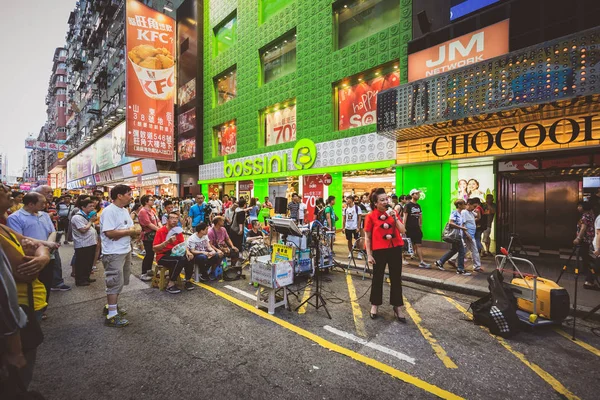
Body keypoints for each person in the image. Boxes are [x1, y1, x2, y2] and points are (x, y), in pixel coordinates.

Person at [7, 192, 70, 309]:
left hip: (48, 255)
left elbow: (52, 231)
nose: (45, 205)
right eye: (42, 203)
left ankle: (44, 307)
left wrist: (49, 245)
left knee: (47, 281)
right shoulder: (15, 218)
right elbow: (20, 238)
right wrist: (46, 244)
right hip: (31, 258)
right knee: (32, 285)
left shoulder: (44, 215)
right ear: (31, 204)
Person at [100, 184, 141, 327]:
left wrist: (131, 232)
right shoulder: (109, 211)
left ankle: (111, 307)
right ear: (120, 196)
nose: (131, 197)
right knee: (114, 282)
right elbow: (109, 233)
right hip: (113, 253)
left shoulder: (124, 210)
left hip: (124, 250)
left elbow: (129, 228)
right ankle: (111, 316)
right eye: (129, 194)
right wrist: (129, 232)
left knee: (120, 282)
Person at [364, 188, 406, 322]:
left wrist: (395, 217)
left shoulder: (393, 213)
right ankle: (375, 305)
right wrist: (369, 255)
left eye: (386, 199)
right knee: (377, 278)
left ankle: (397, 306)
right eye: (382, 200)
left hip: (395, 249)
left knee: (396, 278)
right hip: (379, 250)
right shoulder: (370, 216)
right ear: (375, 203)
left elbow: (403, 230)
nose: (385, 202)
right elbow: (368, 237)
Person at [33, 185, 70, 292]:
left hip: (53, 235)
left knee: (55, 260)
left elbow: (53, 219)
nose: (50, 194)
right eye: (47, 192)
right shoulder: (38, 207)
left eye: (51, 192)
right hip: (41, 238)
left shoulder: (52, 204)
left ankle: (55, 282)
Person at [153, 212, 194, 293]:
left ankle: (187, 280)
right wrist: (167, 242)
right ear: (167, 220)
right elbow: (154, 248)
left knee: (190, 257)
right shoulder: (160, 231)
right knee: (179, 260)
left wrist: (188, 252)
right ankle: (171, 284)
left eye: (176, 218)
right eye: (172, 218)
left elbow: (182, 244)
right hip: (162, 256)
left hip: (175, 253)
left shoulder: (178, 231)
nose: (174, 220)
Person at [435, 199, 471, 276]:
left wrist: (466, 234)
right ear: (459, 205)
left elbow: (463, 226)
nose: (465, 205)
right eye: (464, 204)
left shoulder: (462, 214)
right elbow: (450, 223)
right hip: (455, 236)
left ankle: (440, 262)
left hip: (459, 236)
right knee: (462, 251)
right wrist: (461, 228)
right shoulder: (454, 212)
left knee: (454, 250)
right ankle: (460, 269)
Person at [70, 198, 99, 286]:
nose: (92, 208)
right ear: (83, 207)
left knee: (88, 262)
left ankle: (86, 278)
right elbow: (83, 229)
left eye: (93, 206)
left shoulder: (87, 216)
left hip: (90, 243)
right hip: (83, 244)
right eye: (90, 206)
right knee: (82, 263)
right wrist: (91, 221)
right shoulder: (77, 217)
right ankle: (80, 280)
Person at [450, 199, 483, 273]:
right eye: (473, 206)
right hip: (468, 234)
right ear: (469, 204)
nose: (474, 208)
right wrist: (467, 234)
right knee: (473, 250)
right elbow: (462, 224)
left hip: (470, 234)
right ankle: (477, 266)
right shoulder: (464, 212)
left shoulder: (471, 212)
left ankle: (452, 259)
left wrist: (478, 211)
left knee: (464, 250)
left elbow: (478, 217)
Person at [403, 189, 430, 268]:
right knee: (407, 244)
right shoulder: (408, 205)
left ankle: (421, 261)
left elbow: (420, 217)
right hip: (409, 228)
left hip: (416, 228)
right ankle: (402, 259)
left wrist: (420, 227)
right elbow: (405, 218)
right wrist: (403, 229)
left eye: (418, 194)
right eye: (416, 194)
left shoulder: (418, 206)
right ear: (412, 195)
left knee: (418, 245)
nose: (418, 195)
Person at [574, 202, 598, 290]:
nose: (578, 208)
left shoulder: (585, 216)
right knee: (587, 258)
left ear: (584, 207)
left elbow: (583, 228)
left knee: (587, 258)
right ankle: (589, 274)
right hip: (589, 240)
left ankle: (590, 276)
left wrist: (578, 238)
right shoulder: (591, 215)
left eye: (579, 206)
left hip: (585, 240)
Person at [138, 195, 161, 282]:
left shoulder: (152, 210)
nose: (153, 201)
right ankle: (143, 273)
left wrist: (161, 229)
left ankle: (149, 270)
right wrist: (159, 230)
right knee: (148, 254)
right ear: (146, 202)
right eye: (151, 200)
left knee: (152, 253)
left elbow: (157, 220)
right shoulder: (143, 211)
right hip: (147, 235)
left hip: (154, 234)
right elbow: (148, 224)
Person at [591, 210, 600, 290]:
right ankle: (589, 281)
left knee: (597, 264)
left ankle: (589, 281)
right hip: (598, 245)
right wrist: (598, 249)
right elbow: (599, 234)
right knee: (597, 264)